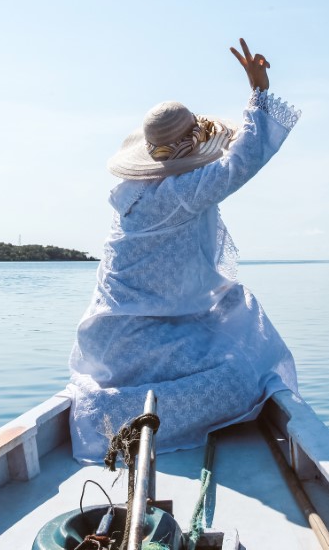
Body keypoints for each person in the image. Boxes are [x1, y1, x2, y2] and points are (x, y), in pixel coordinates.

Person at [67, 38, 301, 462]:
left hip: (110, 342)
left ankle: (122, 410)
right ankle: (108, 419)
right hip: (140, 340)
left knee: (233, 321)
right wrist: (259, 92)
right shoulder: (178, 194)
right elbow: (240, 161)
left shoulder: (133, 193)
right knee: (242, 375)